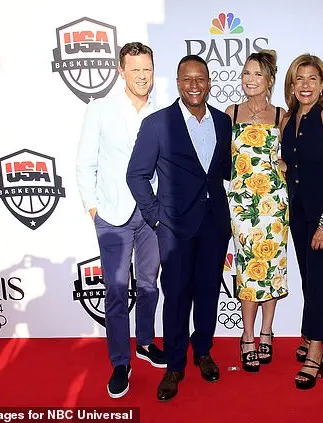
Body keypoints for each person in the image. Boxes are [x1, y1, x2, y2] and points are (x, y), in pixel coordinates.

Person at [126, 55, 232, 402]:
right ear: (177, 82)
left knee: (207, 292)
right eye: (187, 80)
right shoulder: (158, 123)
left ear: (209, 82)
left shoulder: (221, 121)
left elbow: (225, 172)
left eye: (200, 79)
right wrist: (156, 217)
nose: (194, 86)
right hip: (173, 227)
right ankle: (174, 365)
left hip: (214, 223)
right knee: (175, 299)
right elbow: (136, 175)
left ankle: (202, 350)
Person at [75, 42, 166, 400]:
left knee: (148, 284)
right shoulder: (100, 110)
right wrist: (94, 210)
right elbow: (85, 163)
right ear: (121, 71)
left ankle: (144, 342)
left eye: (147, 69)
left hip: (151, 215)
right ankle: (119, 361)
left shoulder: (163, 111)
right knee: (115, 290)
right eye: (135, 70)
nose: (142, 76)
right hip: (112, 214)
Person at [280, 54, 323, 389]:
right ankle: (310, 334)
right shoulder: (289, 119)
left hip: (322, 213)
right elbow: (289, 164)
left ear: (322, 84)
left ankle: (317, 350)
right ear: (292, 85)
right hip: (297, 213)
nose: (305, 85)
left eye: (311, 79)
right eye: (299, 79)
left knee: (319, 281)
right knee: (309, 278)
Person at [225, 50, 288, 373]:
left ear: (269, 81)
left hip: (275, 205)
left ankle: (267, 331)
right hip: (242, 205)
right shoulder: (230, 113)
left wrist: (287, 165)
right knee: (249, 267)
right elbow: (219, 162)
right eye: (246, 73)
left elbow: (297, 154)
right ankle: (247, 336)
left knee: (272, 268)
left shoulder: (282, 115)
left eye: (257, 75)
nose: (250, 80)